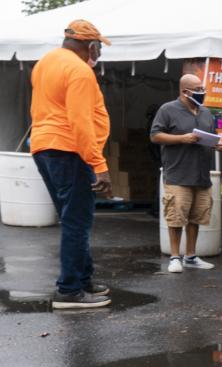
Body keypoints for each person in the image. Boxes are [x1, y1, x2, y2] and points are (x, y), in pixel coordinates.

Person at [30, 20, 113, 309]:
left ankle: (83, 279)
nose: (100, 54)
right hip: (69, 150)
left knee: (72, 218)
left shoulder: (46, 61)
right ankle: (69, 290)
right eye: (99, 47)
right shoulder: (79, 71)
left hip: (44, 146)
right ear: (90, 46)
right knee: (77, 220)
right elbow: (80, 122)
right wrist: (99, 164)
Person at [150, 74, 222, 273]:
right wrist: (181, 138)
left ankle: (191, 256)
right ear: (185, 91)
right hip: (178, 173)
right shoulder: (167, 109)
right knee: (176, 216)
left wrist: (217, 144)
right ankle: (175, 257)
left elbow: (211, 136)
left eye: (203, 88)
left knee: (196, 217)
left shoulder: (205, 112)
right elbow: (155, 136)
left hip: (202, 175)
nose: (203, 92)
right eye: (199, 89)